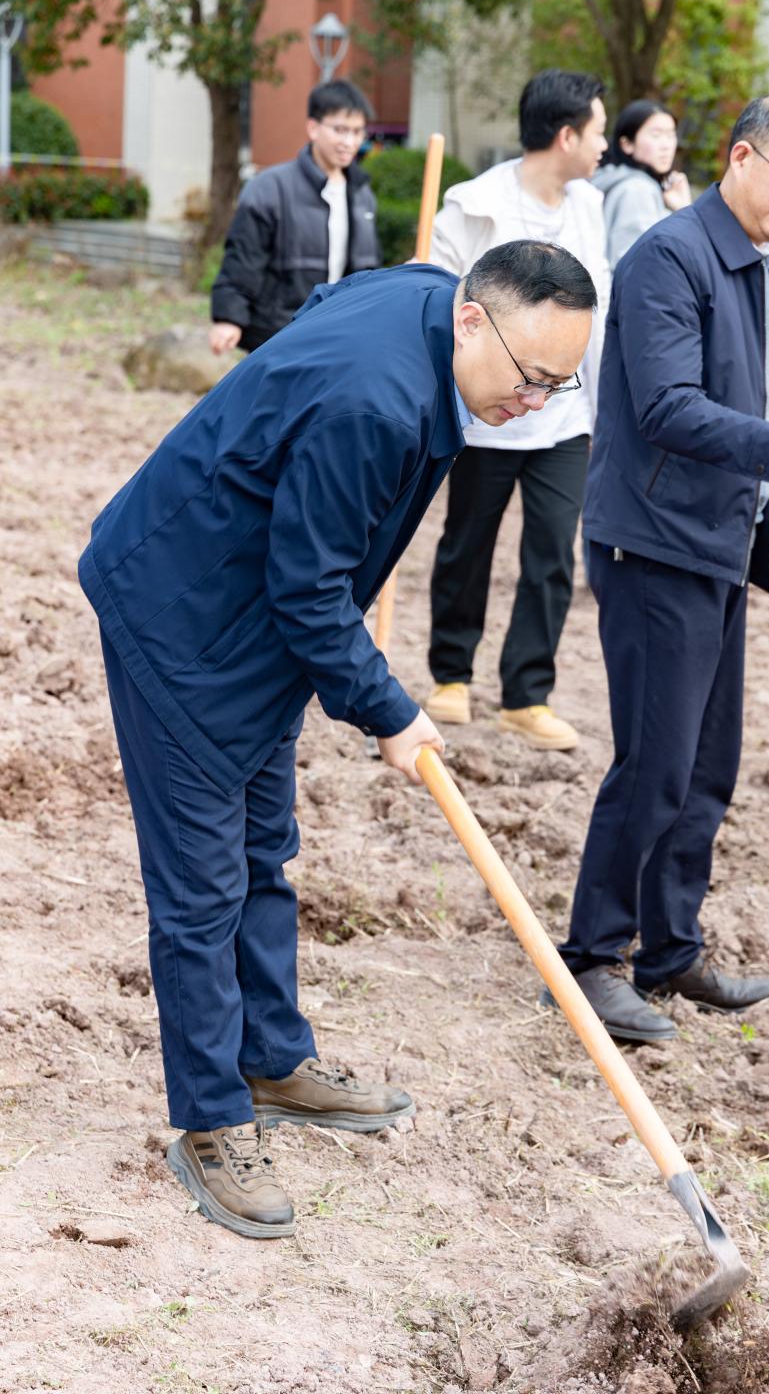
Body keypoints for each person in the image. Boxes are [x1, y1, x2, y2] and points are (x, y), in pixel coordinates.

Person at [79, 242, 597, 1238]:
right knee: (201, 887)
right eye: (529, 377)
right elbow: (309, 594)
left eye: (559, 383)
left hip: (253, 625)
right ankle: (211, 1119)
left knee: (262, 853)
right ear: (473, 320)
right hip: (180, 616)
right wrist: (389, 710)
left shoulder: (424, 294)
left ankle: (271, 1060)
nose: (536, 402)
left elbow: (330, 300)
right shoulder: (376, 408)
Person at [547, 93, 769, 1045]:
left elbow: (759, 400)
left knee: (708, 766)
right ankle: (592, 957)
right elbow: (667, 406)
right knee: (656, 763)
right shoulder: (669, 257)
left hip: (719, 541)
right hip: (653, 540)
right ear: (742, 158)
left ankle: (670, 950)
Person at [424, 69, 611, 752]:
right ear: (566, 136)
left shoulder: (589, 207)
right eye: (598, 131)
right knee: (467, 544)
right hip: (487, 415)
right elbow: (439, 300)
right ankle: (451, 675)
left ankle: (526, 695)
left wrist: (601, 409)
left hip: (563, 417)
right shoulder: (474, 206)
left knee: (552, 553)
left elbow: (599, 318)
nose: (605, 145)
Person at [209, 79, 381, 356]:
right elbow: (242, 261)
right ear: (313, 128)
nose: (349, 142)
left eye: (357, 131)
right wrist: (229, 317)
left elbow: (367, 269)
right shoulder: (269, 188)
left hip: (338, 336)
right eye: (340, 130)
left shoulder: (362, 195)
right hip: (278, 336)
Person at [591, 99, 691, 270]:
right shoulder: (638, 189)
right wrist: (686, 212)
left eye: (671, 135)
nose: (666, 145)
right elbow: (639, 265)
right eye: (656, 135)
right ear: (627, 144)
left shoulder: (619, 179)